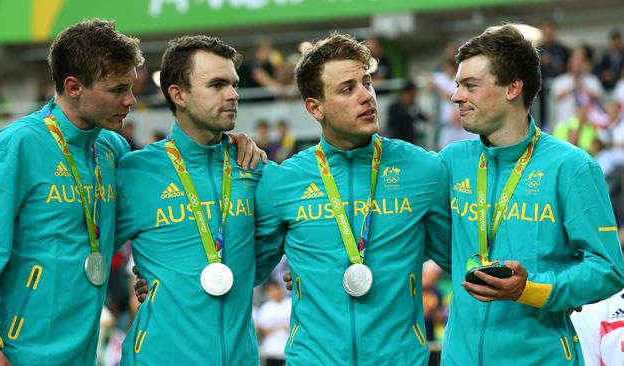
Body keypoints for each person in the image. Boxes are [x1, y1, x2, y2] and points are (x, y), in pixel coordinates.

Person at [254, 33, 452, 365]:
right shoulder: (282, 181)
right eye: (348, 89)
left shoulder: (424, 170)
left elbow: (462, 258)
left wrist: (543, 282)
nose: (366, 96)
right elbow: (246, 269)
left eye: (367, 82)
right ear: (315, 107)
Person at [439, 24, 624, 365]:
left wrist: (529, 289)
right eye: (457, 85)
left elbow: (608, 270)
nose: (456, 96)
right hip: (459, 358)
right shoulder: (451, 163)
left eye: (470, 86)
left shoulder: (571, 167)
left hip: (541, 357)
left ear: (513, 88)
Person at [0, 19, 143, 365]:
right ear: (74, 86)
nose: (131, 100)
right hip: (16, 352)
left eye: (131, 87)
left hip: (84, 353)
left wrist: (226, 146)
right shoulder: (17, 145)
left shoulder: (113, 148)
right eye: (117, 89)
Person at [115, 35, 264, 365]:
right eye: (217, 85)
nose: (233, 94)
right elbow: (85, 252)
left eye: (234, 84)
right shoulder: (134, 173)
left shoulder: (254, 168)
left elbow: (275, 251)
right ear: (178, 94)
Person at [256, 280, 292, 366]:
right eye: (270, 291)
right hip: (271, 351)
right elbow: (259, 331)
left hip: (288, 351)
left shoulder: (290, 303)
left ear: (280, 289)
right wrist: (265, 331)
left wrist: (287, 328)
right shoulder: (265, 308)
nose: (273, 293)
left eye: (275, 289)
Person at [386, 80, 428, 144]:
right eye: (412, 95)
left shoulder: (413, 105)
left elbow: (420, 116)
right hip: (397, 142)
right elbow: (391, 126)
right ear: (404, 93)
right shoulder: (394, 107)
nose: (414, 98)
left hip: (411, 141)